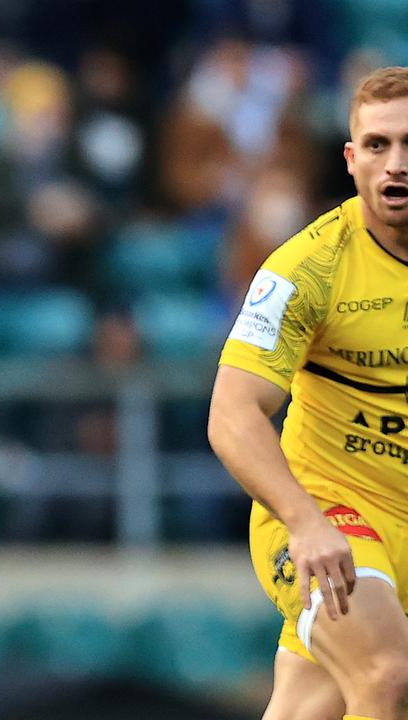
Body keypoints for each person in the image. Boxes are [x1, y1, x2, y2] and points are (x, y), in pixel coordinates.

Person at [209, 66, 408, 720]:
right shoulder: (308, 267)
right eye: (377, 145)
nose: (395, 164)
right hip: (332, 522)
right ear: (351, 160)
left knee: (310, 705)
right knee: (389, 676)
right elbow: (233, 413)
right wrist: (304, 521)